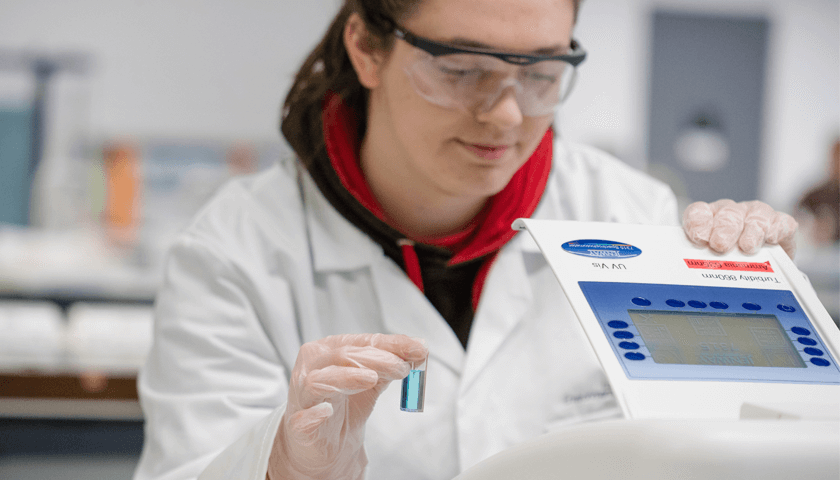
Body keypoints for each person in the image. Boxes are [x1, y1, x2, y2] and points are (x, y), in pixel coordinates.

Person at [132, 1, 799, 479]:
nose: (505, 113)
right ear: (366, 46)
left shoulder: (630, 214)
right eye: (460, 68)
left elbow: (723, 453)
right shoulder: (232, 253)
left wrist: (764, 326)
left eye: (541, 73)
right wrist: (281, 467)